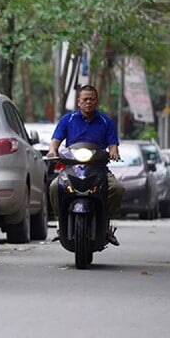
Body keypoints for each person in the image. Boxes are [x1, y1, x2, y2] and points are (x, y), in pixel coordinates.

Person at [46, 85, 124, 246]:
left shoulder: (106, 121)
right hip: (71, 169)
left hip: (99, 170)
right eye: (85, 99)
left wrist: (114, 152)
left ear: (97, 102)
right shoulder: (67, 120)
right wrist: (53, 151)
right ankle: (61, 224)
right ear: (79, 102)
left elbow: (113, 145)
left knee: (117, 189)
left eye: (92, 99)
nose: (89, 102)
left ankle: (105, 223)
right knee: (54, 186)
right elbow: (55, 143)